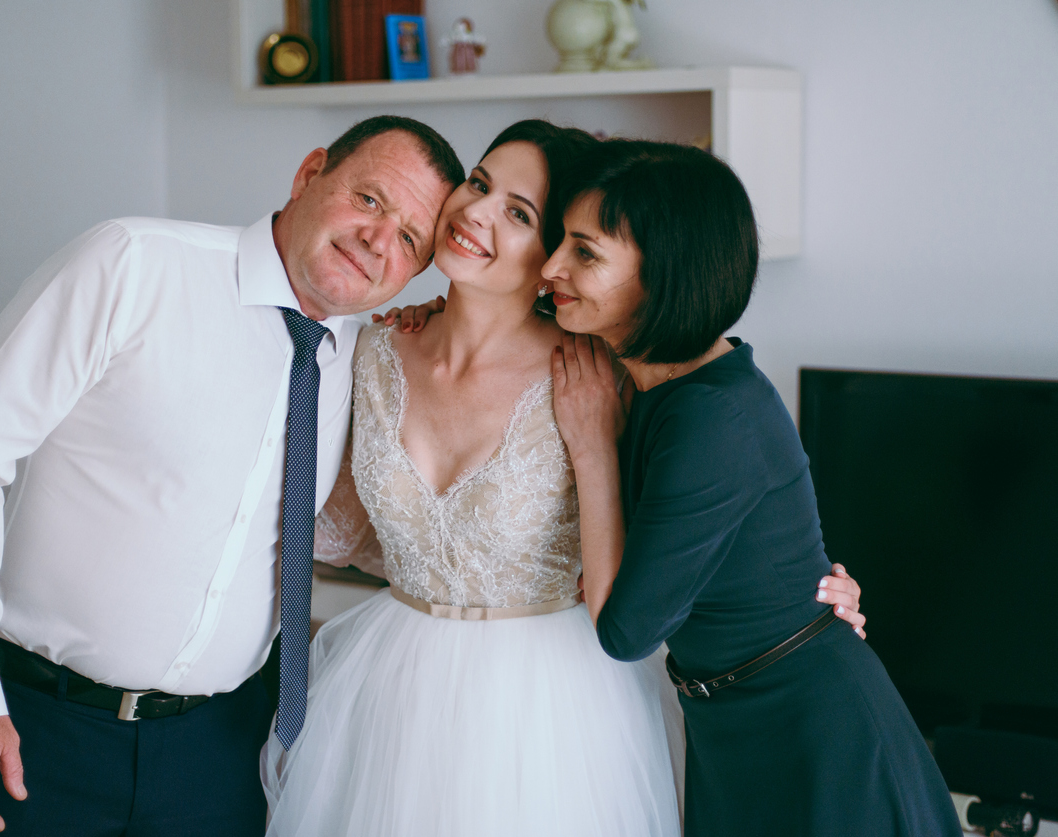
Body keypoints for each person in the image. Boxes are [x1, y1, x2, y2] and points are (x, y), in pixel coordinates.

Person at [260, 121, 865, 836]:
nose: (476, 212)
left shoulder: (602, 377)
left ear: (554, 254)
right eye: (478, 184)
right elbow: (344, 529)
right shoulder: (373, 344)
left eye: (518, 213)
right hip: (390, 686)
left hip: (552, 713)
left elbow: (700, 518)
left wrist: (807, 595)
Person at [0, 115, 461, 835]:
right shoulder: (133, 265)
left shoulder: (370, 362)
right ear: (310, 173)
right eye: (370, 200)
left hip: (224, 754)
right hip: (42, 731)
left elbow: (346, 527)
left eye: (410, 239)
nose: (377, 240)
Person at [547, 139, 962, 836]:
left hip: (819, 734)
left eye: (585, 252)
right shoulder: (655, 380)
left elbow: (626, 630)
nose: (552, 266)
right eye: (561, 239)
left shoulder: (712, 416)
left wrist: (591, 446)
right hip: (735, 721)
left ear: (665, 275)